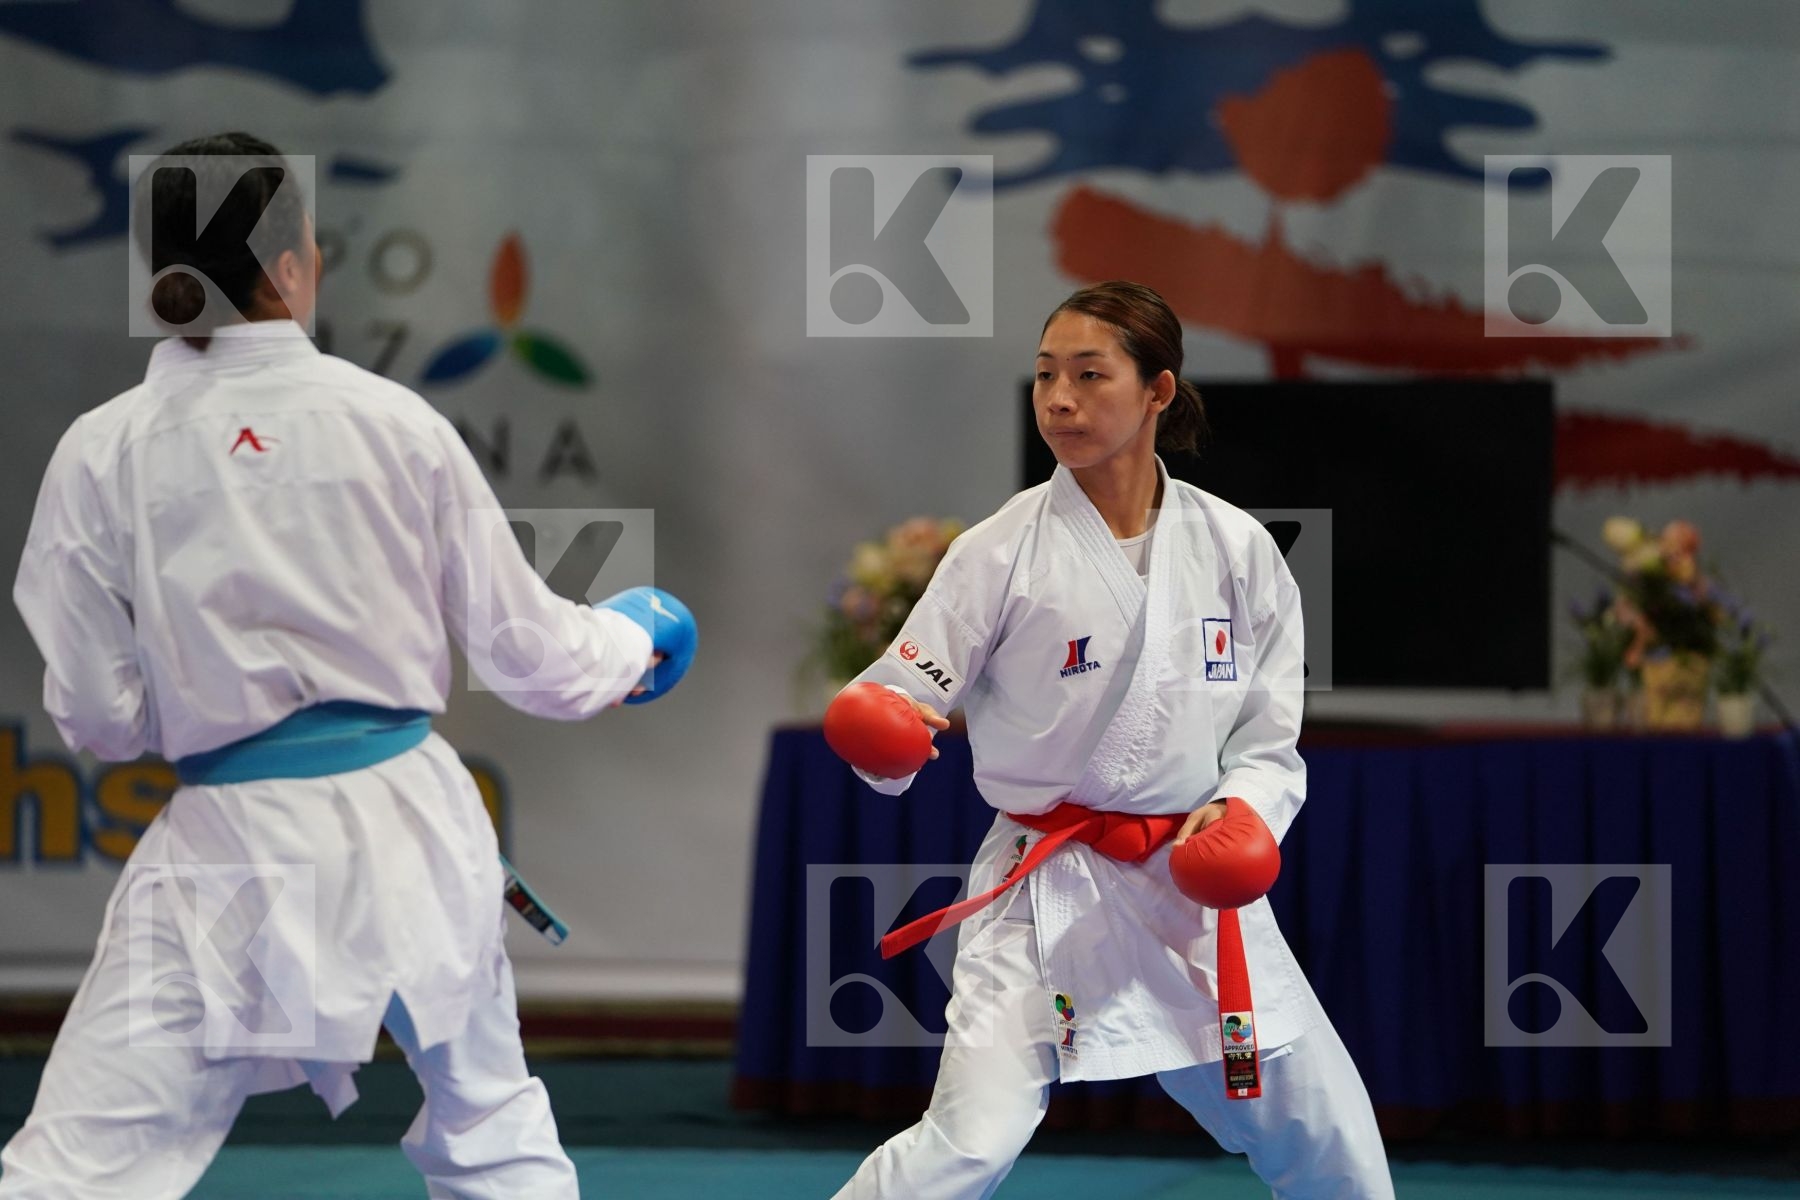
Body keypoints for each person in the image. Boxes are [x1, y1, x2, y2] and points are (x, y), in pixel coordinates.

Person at [1, 133, 693, 1199]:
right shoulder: (393, 422)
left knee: (75, 1166)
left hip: (226, 840)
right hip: (407, 822)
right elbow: (535, 659)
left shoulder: (104, 449)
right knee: (489, 1128)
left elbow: (99, 719)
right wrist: (638, 636)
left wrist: (198, 698)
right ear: (291, 266)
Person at [828, 281, 1393, 1198]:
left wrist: (1244, 811)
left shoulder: (1238, 547)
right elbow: (899, 693)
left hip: (1186, 892)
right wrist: (880, 731)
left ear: (1158, 390)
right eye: (1046, 375)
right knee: (969, 1142)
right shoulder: (999, 551)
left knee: (1330, 1137)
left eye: (1090, 375)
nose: (1060, 399)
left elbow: (1268, 737)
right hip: (1045, 889)